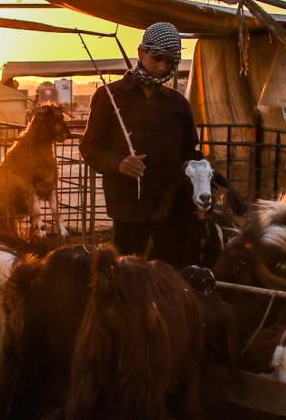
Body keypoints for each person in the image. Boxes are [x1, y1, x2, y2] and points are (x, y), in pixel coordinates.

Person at [79, 22, 201, 265]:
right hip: (128, 207)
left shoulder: (178, 105)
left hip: (171, 207)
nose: (162, 67)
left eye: (170, 62)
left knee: (171, 273)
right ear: (141, 52)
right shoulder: (109, 97)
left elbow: (191, 153)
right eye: (157, 58)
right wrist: (118, 163)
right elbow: (89, 148)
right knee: (126, 274)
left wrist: (200, 176)